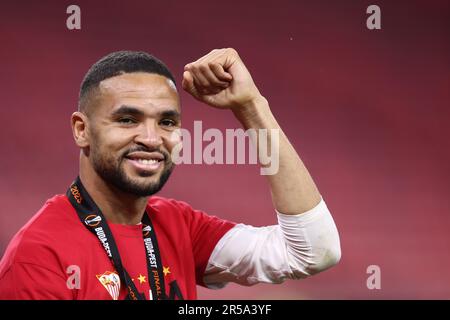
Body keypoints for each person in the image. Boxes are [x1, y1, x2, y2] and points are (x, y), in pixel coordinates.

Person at [0, 48, 341, 300]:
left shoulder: (180, 226)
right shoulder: (38, 257)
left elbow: (312, 252)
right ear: (81, 130)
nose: (151, 139)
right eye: (127, 119)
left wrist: (251, 107)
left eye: (166, 122)